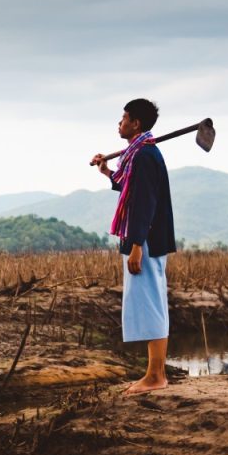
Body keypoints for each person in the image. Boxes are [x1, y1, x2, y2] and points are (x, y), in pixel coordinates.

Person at [91, 98, 176, 394]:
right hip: (147, 238)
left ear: (136, 123)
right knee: (152, 301)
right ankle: (157, 373)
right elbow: (128, 188)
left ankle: (155, 377)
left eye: (124, 118)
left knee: (150, 302)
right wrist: (105, 171)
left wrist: (137, 244)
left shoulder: (143, 156)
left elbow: (144, 203)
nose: (120, 123)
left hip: (147, 239)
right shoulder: (139, 154)